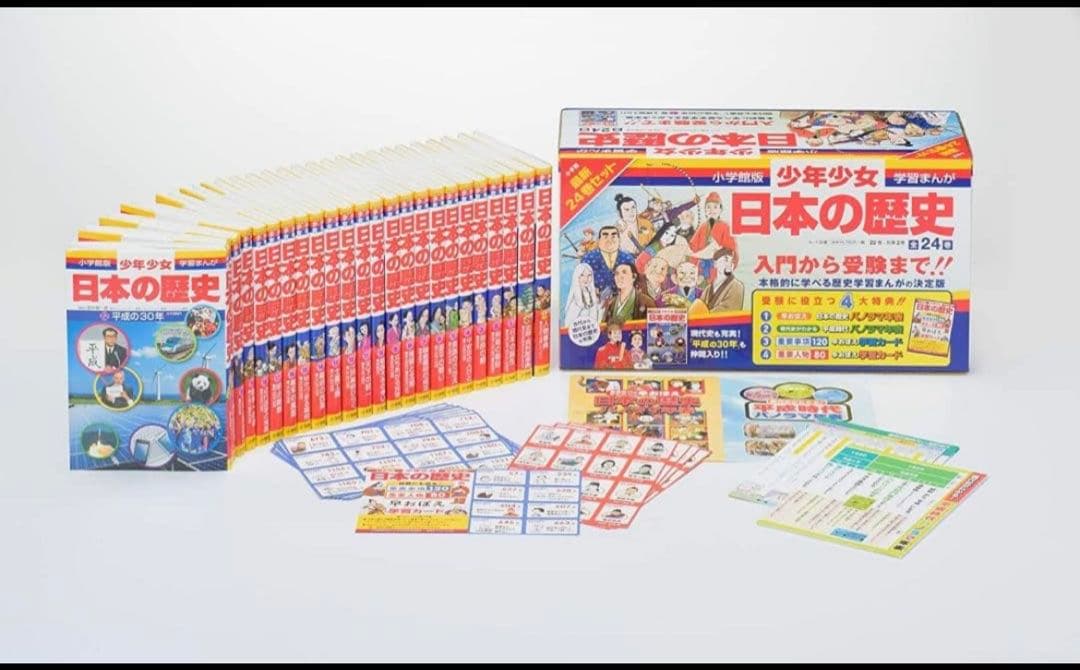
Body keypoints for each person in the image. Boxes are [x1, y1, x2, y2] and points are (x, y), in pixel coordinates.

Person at [581, 224, 636, 301]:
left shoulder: (627, 258)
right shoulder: (588, 259)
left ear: (619, 240)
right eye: (605, 236)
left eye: (613, 236)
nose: (609, 240)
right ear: (599, 240)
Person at [689, 192, 739, 267]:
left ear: (720, 209)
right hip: (701, 264)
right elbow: (693, 247)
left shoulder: (726, 226)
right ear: (705, 210)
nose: (711, 210)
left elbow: (732, 250)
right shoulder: (703, 226)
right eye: (708, 207)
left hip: (719, 264)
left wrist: (718, 253)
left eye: (715, 207)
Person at [692, 247, 745, 315]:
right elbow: (699, 306)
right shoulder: (708, 288)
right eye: (726, 259)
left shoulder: (737, 286)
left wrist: (706, 315)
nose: (729, 264)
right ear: (715, 263)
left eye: (731, 261)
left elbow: (730, 310)